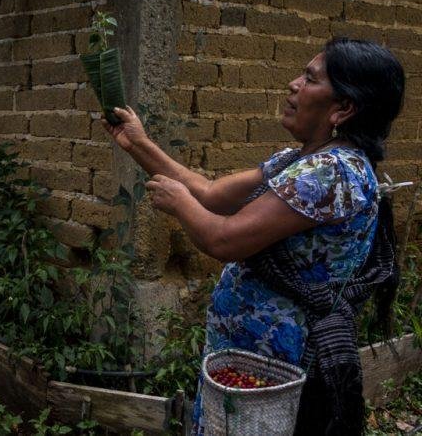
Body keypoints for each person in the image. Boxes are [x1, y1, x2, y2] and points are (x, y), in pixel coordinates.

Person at [104, 37, 403, 435]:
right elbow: (211, 193)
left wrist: (178, 203)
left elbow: (224, 239)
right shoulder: (299, 159)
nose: (293, 85)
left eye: (310, 79)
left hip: (277, 359)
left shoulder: (331, 173)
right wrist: (137, 142)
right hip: (248, 353)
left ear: (344, 108)